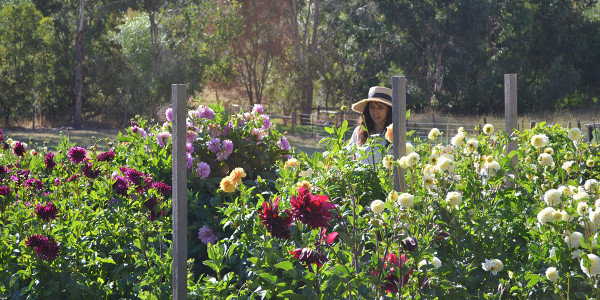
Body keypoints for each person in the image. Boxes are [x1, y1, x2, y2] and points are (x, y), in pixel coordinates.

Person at [348, 86, 393, 165]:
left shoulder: (397, 134)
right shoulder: (358, 132)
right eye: (372, 107)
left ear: (388, 110)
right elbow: (353, 158)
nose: (375, 112)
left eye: (380, 107)